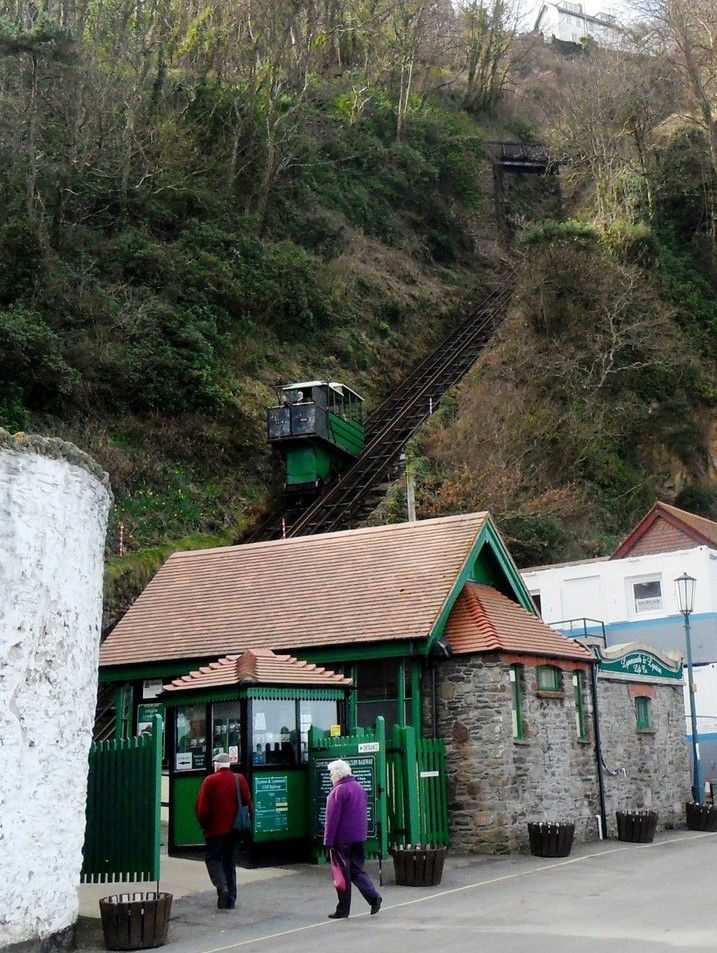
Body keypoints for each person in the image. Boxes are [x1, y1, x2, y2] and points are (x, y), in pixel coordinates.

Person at [323, 759, 382, 919]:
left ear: (337, 774)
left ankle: (343, 909)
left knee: (342, 874)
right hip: (359, 837)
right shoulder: (358, 787)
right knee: (356, 870)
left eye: (331, 774)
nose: (330, 777)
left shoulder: (337, 792)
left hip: (341, 840)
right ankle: (373, 897)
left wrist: (328, 841)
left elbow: (332, 819)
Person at [195, 752, 253, 910]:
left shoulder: (210, 781)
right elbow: (248, 802)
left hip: (215, 830)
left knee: (213, 859)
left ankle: (222, 887)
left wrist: (205, 824)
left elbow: (202, 810)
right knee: (229, 862)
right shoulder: (239, 779)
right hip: (235, 830)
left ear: (216, 765)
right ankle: (230, 900)